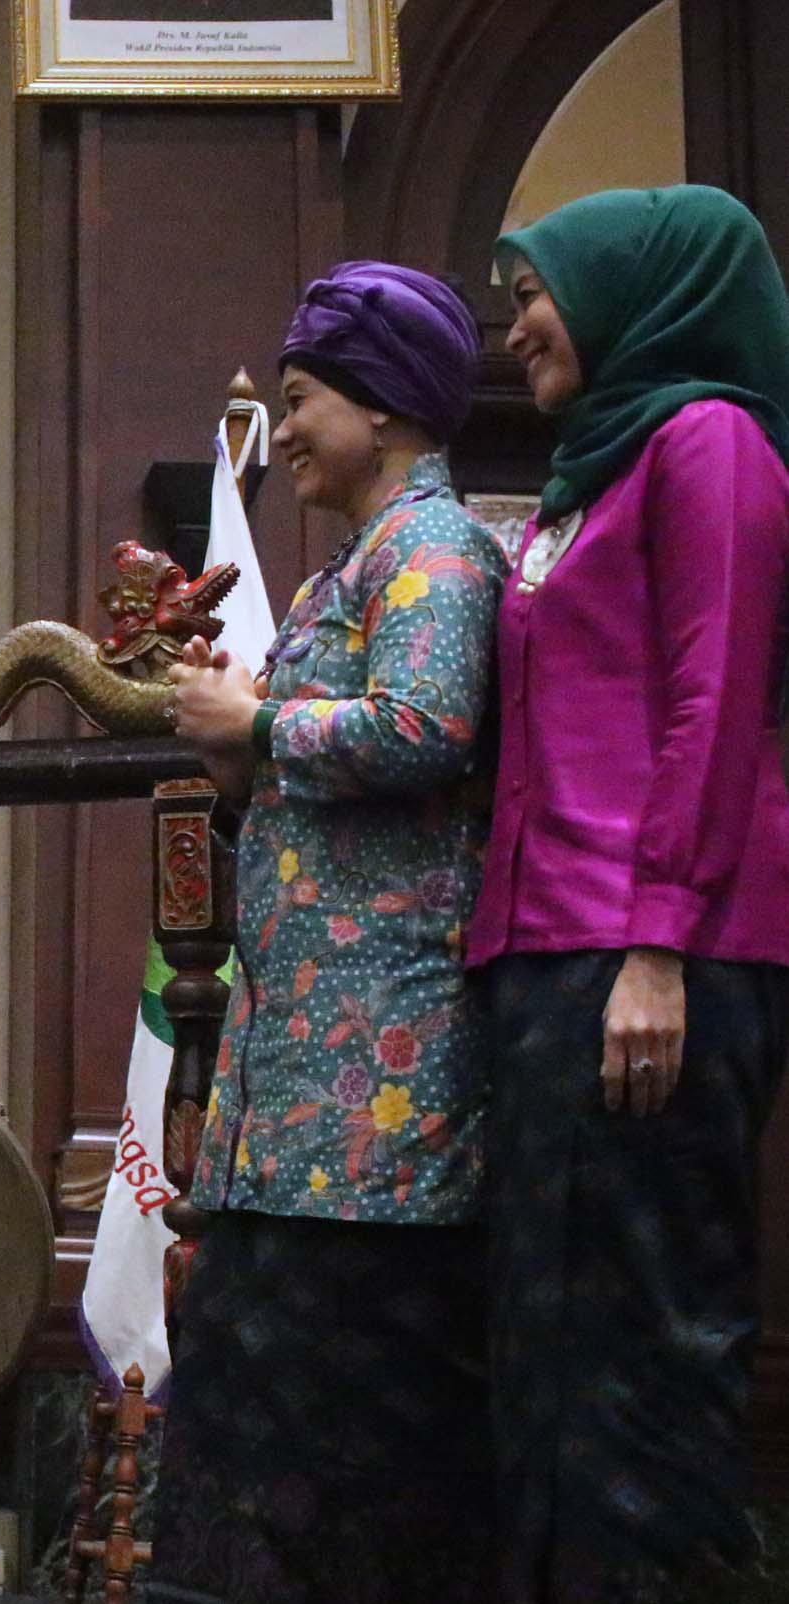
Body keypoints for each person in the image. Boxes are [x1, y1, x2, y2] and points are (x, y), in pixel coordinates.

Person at [148, 263, 506, 1604]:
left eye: (301, 399)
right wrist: (243, 769)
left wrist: (257, 724)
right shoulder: (339, 577)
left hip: (377, 1127)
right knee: (250, 1469)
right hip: (293, 1110)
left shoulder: (435, 552)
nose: (284, 429)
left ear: (385, 405)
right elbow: (329, 810)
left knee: (356, 1485)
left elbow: (426, 726)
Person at [475, 185, 789, 1604]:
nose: (515, 328)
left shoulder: (710, 441)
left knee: (646, 1350)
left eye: (533, 294)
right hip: (549, 952)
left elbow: (714, 703)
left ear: (628, 292)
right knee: (545, 1340)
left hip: (657, 953)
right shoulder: (585, 477)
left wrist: (656, 943)